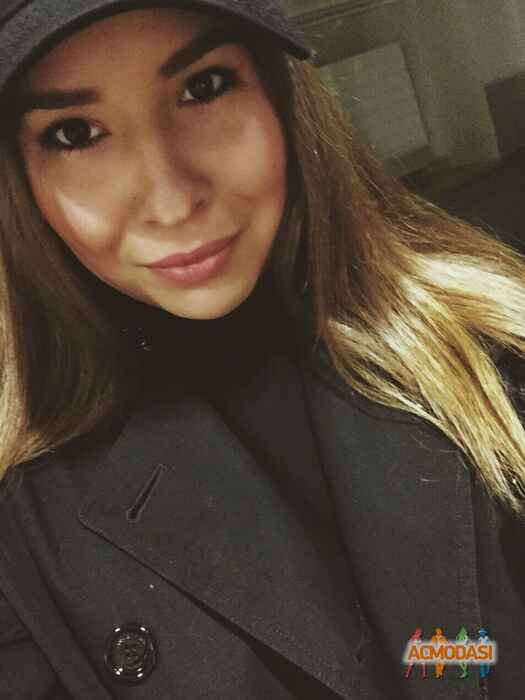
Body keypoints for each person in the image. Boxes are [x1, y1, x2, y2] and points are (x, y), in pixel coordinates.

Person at [0, 1, 524, 698]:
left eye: (204, 87)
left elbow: (455, 655)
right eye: (75, 133)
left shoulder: (489, 350)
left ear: (278, 91)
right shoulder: (22, 518)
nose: (171, 200)